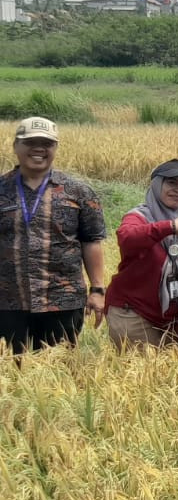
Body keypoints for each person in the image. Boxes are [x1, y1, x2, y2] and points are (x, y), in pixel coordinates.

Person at [0, 116, 106, 353]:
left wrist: (98, 290)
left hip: (63, 301)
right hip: (7, 302)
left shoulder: (78, 191)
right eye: (30, 142)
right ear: (16, 146)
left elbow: (92, 242)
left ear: (55, 148)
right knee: (11, 372)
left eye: (47, 143)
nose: (39, 149)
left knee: (58, 377)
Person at [105, 159, 178, 347]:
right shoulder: (139, 217)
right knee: (140, 374)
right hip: (133, 313)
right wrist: (170, 227)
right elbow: (127, 239)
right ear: (157, 185)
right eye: (172, 183)